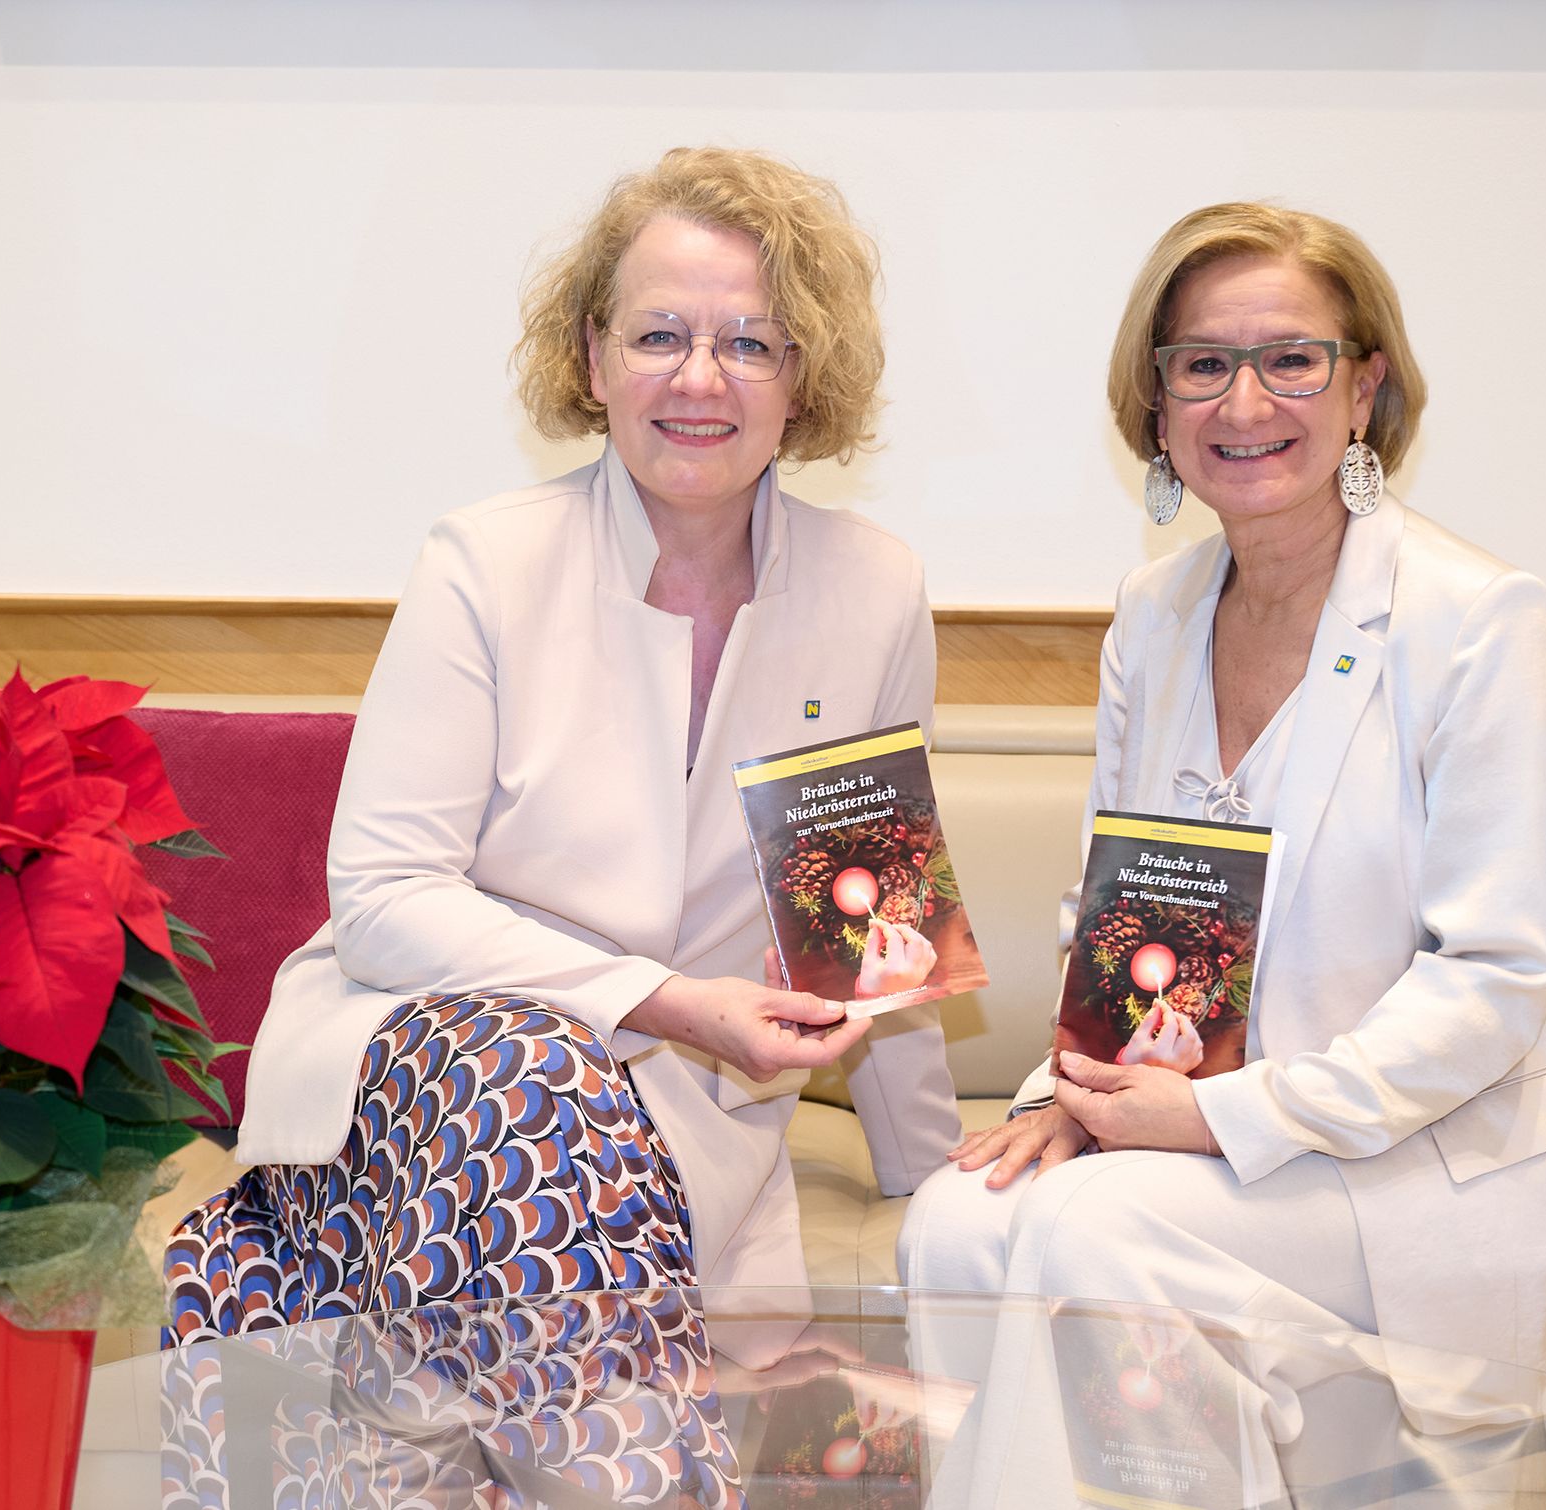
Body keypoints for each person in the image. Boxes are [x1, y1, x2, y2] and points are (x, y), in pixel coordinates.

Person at [164, 147, 960, 1342]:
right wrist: (670, 1002)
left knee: (558, 1125)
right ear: (591, 357)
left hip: (678, 1115)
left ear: (805, 378)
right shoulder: (482, 562)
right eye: (658, 336)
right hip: (425, 1064)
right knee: (527, 1075)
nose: (701, 377)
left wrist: (932, 1177)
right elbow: (382, 900)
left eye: (750, 340)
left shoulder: (872, 592)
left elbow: (867, 942)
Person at [899, 203, 1546, 1389]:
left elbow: (1491, 980)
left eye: (1289, 361)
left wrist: (1215, 1118)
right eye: (1203, 365)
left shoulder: (1477, 621)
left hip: (1438, 1157)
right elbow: (1126, 912)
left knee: (1090, 1230)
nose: (1244, 404)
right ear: (1155, 406)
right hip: (1212, 1133)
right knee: (954, 1223)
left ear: (1362, 389)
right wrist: (1084, 1091)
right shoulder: (1151, 616)